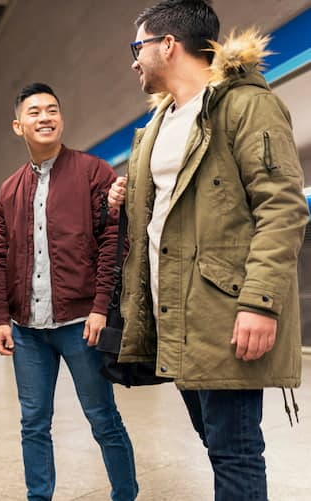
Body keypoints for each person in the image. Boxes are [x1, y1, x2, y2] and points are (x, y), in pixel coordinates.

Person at [107, 1, 308, 499]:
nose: (134, 61)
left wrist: (259, 304)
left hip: (226, 313)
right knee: (217, 445)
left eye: (139, 47)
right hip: (177, 315)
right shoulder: (158, 126)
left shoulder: (242, 105)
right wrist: (126, 191)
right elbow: (175, 211)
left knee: (236, 451)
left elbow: (282, 209)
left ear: (168, 45)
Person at [0, 82, 138, 501]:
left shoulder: (93, 172)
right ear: (19, 126)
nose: (45, 117)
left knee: (102, 418)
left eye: (52, 110)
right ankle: (39, 497)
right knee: (33, 423)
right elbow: (0, 259)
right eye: (34, 112)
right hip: (27, 329)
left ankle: (124, 495)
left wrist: (100, 308)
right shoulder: (8, 189)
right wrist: (2, 318)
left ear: (61, 119)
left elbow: (114, 240)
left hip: (80, 324)